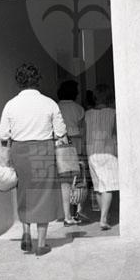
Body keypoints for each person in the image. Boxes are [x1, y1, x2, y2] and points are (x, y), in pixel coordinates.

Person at [0, 63, 67, 256]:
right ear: (38, 80)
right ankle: (41, 244)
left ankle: (26, 231)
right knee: (44, 195)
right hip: (43, 149)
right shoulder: (49, 103)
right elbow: (61, 131)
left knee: (24, 192)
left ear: (19, 81)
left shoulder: (11, 104)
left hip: (19, 150)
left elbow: (3, 135)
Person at [84, 83, 118, 230]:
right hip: (108, 151)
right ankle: (103, 218)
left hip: (91, 152)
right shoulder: (113, 113)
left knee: (98, 186)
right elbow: (117, 132)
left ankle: (104, 215)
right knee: (108, 186)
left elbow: (84, 132)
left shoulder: (87, 114)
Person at [57, 79, 86, 226]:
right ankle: (77, 212)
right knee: (78, 180)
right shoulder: (79, 108)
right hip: (76, 144)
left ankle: (66, 215)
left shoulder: (55, 106)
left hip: (60, 145)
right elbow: (82, 129)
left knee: (64, 181)